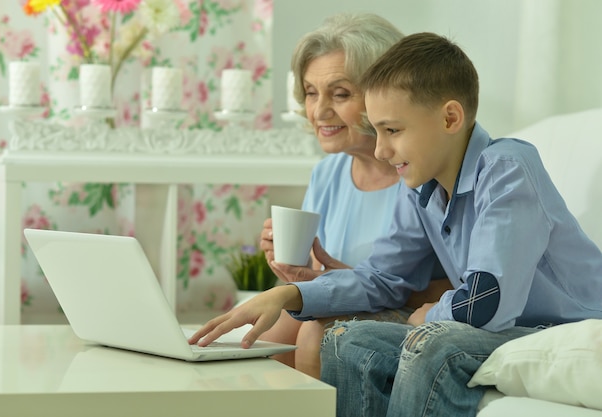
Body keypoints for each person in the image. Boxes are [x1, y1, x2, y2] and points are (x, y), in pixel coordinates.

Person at [189, 32, 602, 416]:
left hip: (559, 329)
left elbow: (485, 302)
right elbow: (383, 277)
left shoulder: (507, 168)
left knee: (433, 341)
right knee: (350, 339)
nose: (382, 150)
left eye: (392, 130)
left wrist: (431, 314)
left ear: (450, 118)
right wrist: (292, 295)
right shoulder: (421, 188)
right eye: (377, 130)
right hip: (501, 328)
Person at [256, 13, 451, 379]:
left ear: (386, 94)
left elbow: (463, 288)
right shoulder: (327, 173)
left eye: (340, 93)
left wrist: (353, 282)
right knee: (266, 334)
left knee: (315, 332)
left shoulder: (424, 173)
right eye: (311, 93)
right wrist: (298, 271)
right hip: (348, 305)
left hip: (407, 315)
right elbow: (319, 279)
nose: (319, 111)